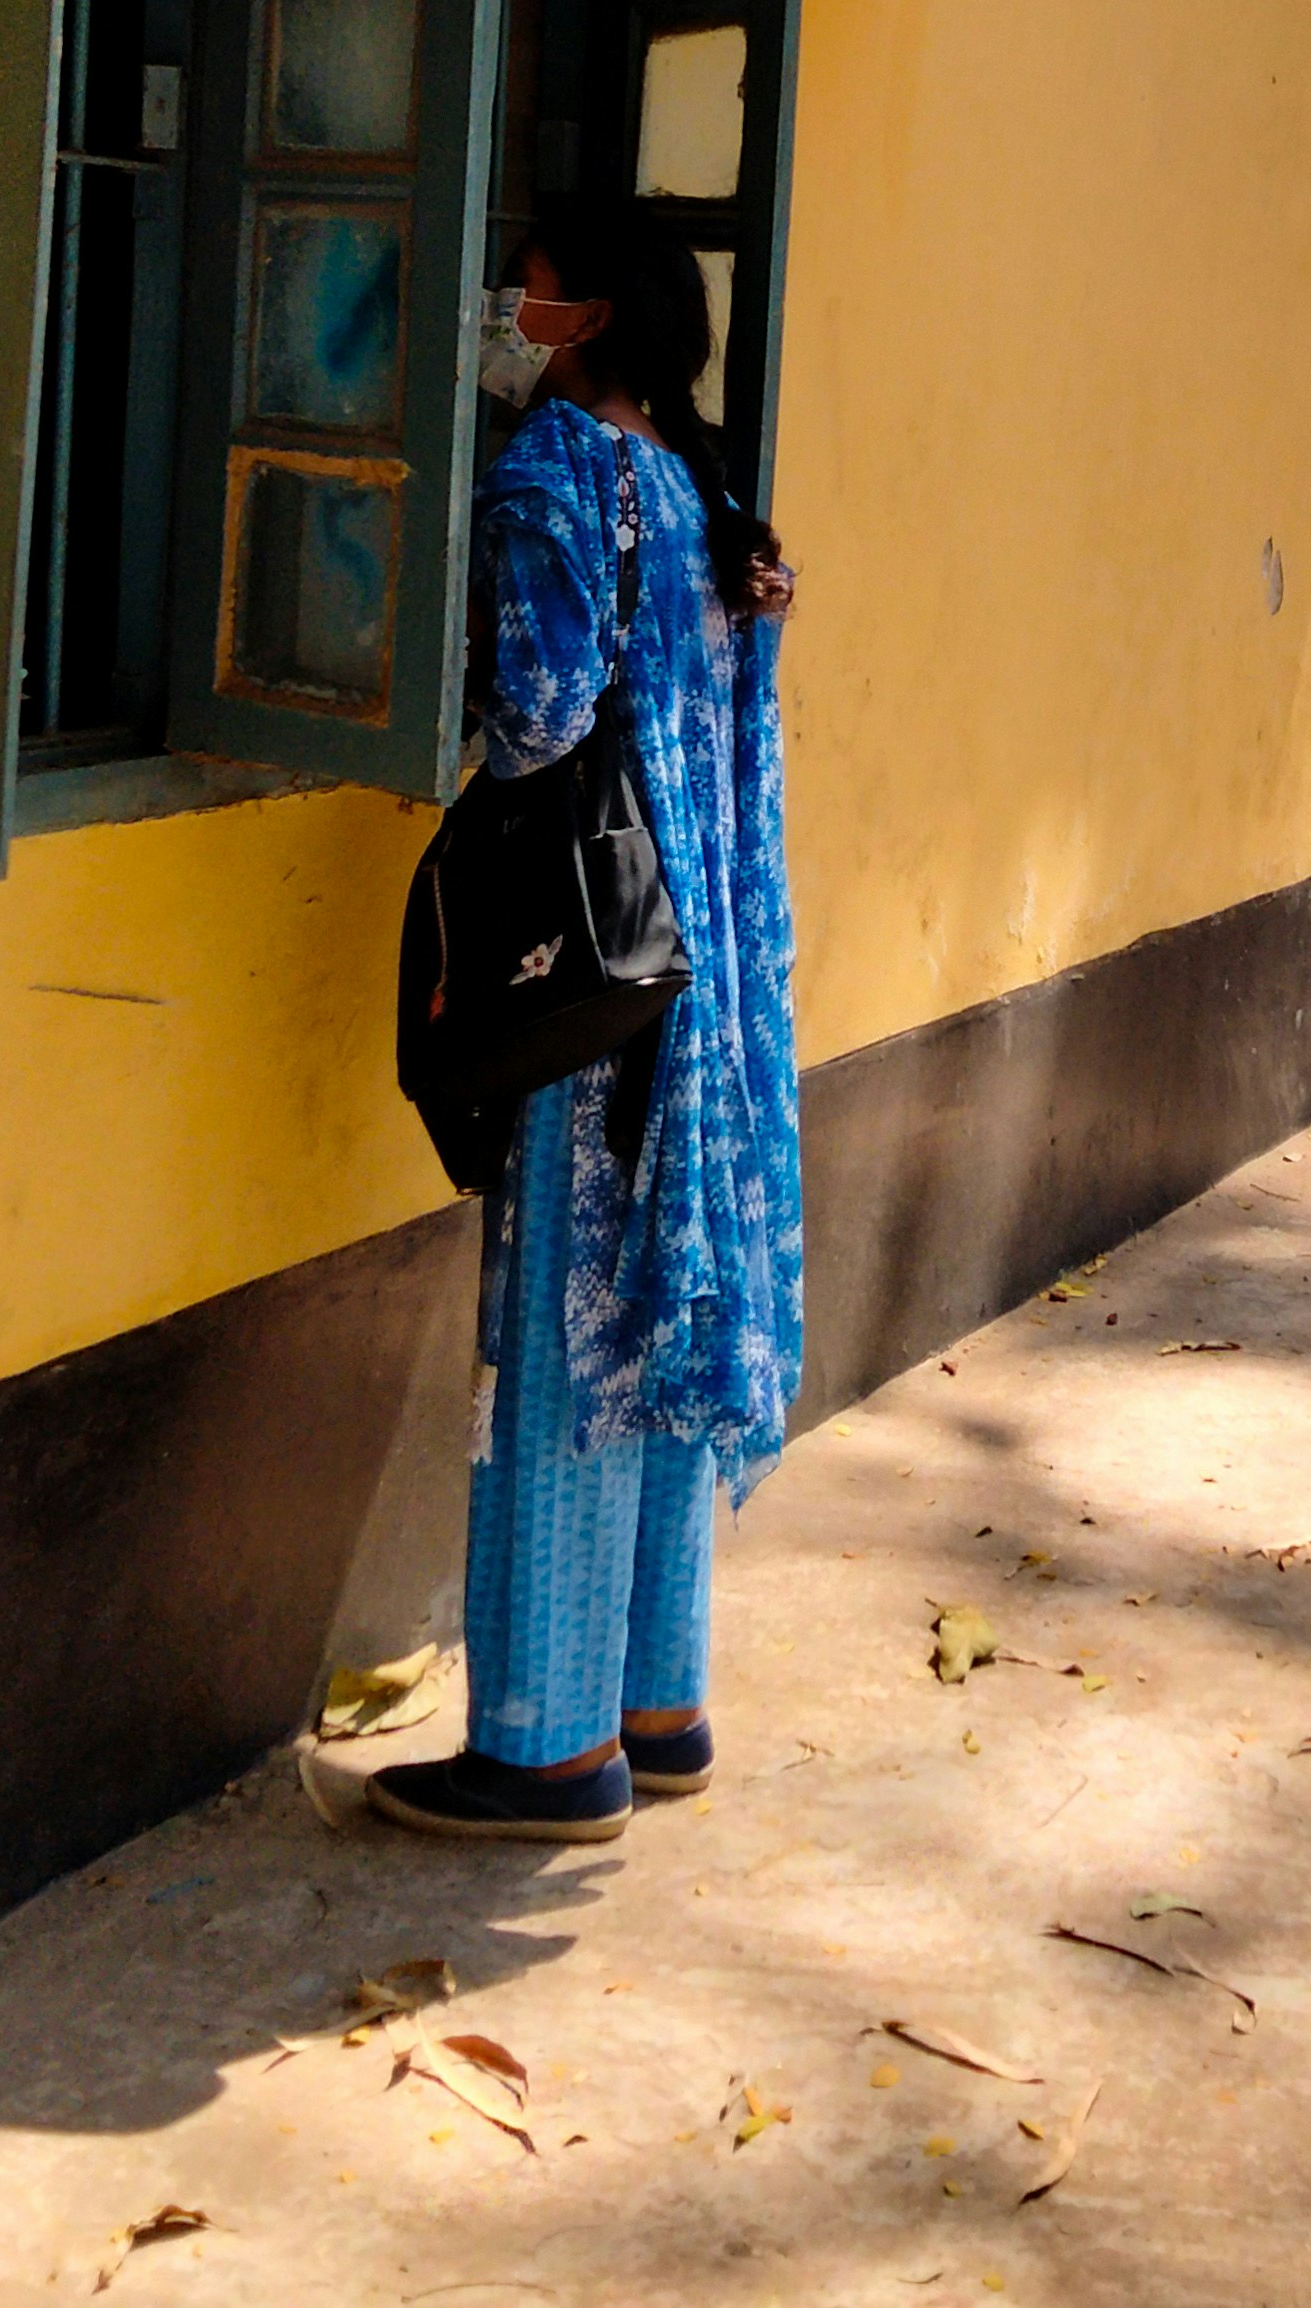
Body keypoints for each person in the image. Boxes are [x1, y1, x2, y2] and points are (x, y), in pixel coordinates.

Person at [369, 199, 799, 1845]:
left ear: (589, 315)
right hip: (702, 966)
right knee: (668, 1321)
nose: (504, 309)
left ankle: (546, 1749)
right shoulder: (697, 491)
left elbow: (541, 719)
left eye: (528, 291)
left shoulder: (553, 476)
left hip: (592, 983)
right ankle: (657, 1702)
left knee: (566, 1335)